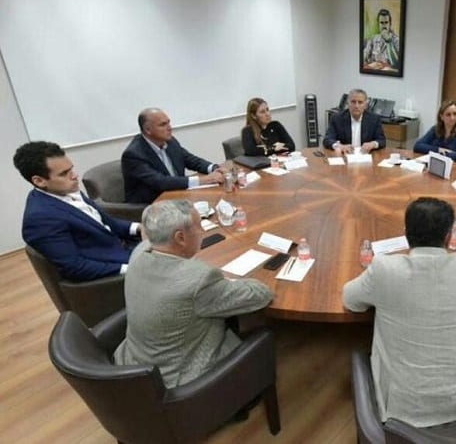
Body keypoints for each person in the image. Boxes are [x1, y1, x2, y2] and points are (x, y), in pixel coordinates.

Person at [342, 197, 456, 428]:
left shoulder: (385, 268)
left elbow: (350, 300)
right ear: (448, 236)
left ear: (406, 234)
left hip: (404, 405)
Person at [114, 199, 273, 388]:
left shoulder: (139, 253)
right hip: (179, 378)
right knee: (262, 332)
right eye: (199, 226)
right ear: (180, 237)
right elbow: (261, 294)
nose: (203, 231)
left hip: (136, 361)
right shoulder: (199, 280)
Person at [13, 141, 140, 281]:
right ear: (39, 181)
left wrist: (139, 228)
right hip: (118, 266)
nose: (74, 176)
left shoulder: (65, 190)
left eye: (71, 169)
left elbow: (107, 222)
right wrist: (134, 269)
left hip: (127, 247)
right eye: (64, 174)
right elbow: (75, 268)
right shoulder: (40, 219)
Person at [122, 108, 226, 204]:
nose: (169, 128)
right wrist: (204, 180)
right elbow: (160, 182)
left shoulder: (170, 141)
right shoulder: (133, 155)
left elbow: (190, 160)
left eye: (169, 122)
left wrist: (214, 168)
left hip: (178, 195)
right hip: (151, 205)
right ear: (148, 130)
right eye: (163, 125)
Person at [323, 89, 386, 155]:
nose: (356, 106)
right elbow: (327, 140)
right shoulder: (337, 118)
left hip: (366, 156)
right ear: (348, 103)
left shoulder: (374, 119)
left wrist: (372, 144)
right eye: (353, 102)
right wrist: (340, 146)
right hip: (344, 156)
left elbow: (382, 141)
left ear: (365, 105)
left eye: (360, 102)